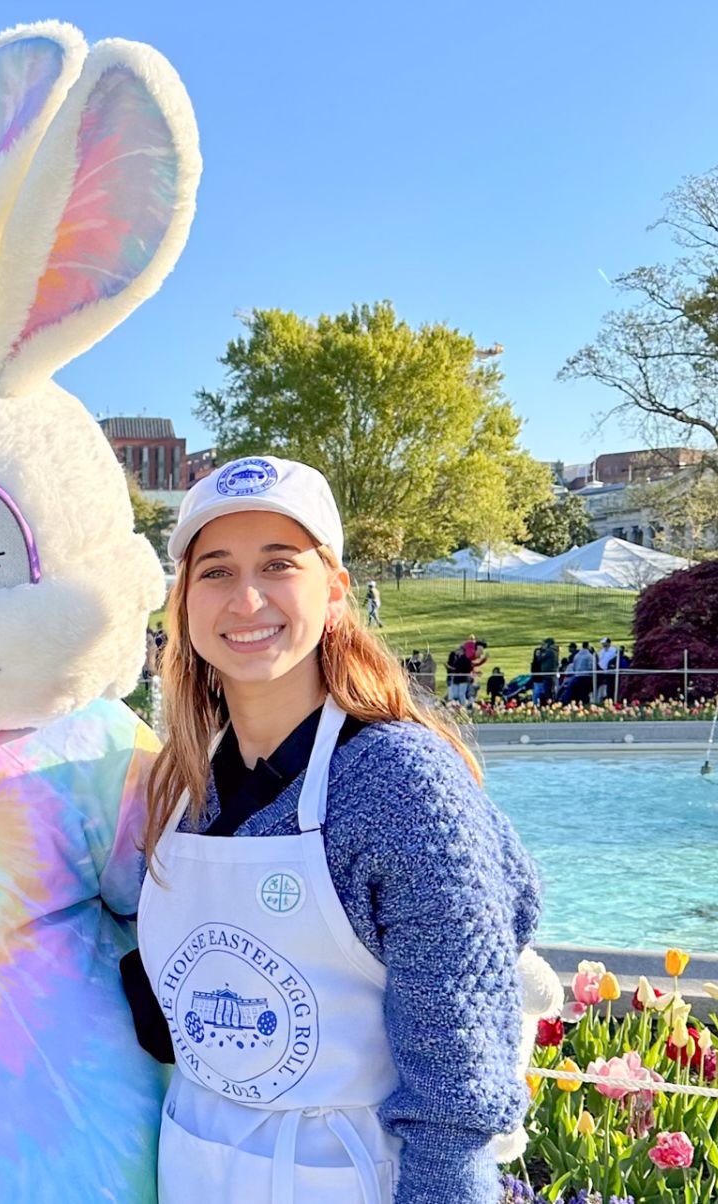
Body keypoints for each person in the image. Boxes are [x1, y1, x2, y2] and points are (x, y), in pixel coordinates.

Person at [128, 455, 540, 1202]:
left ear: (336, 590)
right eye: (214, 572)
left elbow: (460, 1070)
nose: (245, 598)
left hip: (347, 1178)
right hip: (190, 1165)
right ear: (183, 601)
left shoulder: (399, 783)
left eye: (278, 565)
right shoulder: (180, 784)